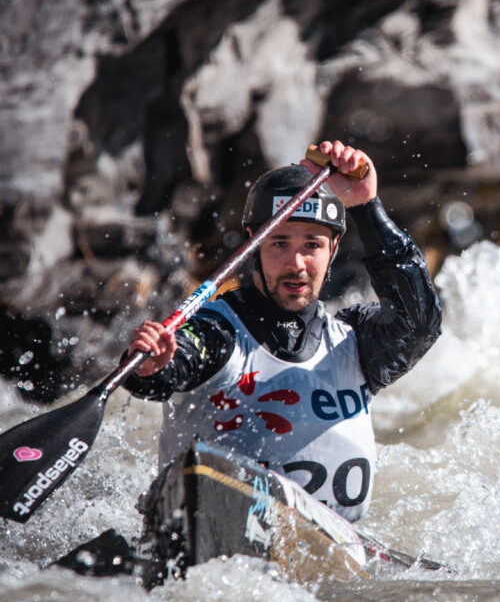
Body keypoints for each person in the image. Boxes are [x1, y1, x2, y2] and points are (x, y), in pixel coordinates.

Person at [121, 140, 442, 523]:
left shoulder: (355, 343)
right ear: (253, 244)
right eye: (279, 243)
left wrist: (366, 207)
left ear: (333, 248)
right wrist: (153, 366)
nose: (297, 263)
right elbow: (173, 364)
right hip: (208, 534)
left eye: (312, 245)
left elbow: (421, 325)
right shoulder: (216, 331)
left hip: (325, 553)